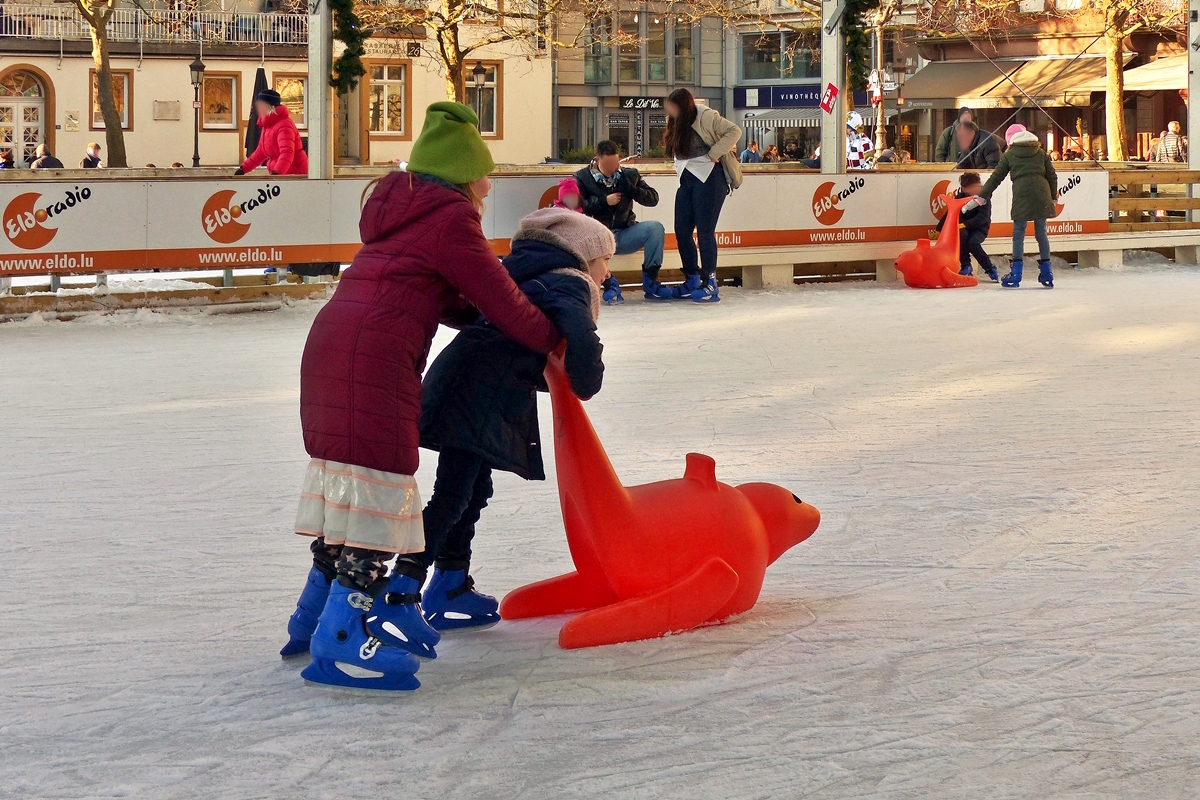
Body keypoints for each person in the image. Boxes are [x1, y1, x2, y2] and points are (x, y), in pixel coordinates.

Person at [280, 101, 560, 691]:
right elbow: (502, 299)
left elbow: (448, 297)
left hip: (333, 346)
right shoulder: (451, 218)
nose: (489, 186)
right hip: (376, 359)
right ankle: (341, 637)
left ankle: (310, 619)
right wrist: (553, 340)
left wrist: (486, 318)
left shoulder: (403, 211)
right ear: (465, 172)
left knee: (353, 489)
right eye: (486, 173)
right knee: (380, 497)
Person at [404, 207, 611, 630]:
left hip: (473, 385)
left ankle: (450, 581)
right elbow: (581, 336)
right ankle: (401, 590)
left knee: (472, 488)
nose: (608, 271)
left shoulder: (522, 276)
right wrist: (586, 382)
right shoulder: (566, 282)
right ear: (584, 254)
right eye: (607, 259)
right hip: (480, 393)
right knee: (453, 494)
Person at [663, 87, 742, 303]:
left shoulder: (705, 115)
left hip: (710, 179)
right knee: (681, 230)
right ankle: (692, 278)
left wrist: (714, 153)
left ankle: (710, 282)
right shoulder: (675, 122)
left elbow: (734, 130)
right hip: (687, 180)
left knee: (705, 232)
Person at [575, 140, 670, 302]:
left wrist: (633, 190)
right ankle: (609, 283)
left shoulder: (629, 175)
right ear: (597, 161)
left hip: (625, 233)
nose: (613, 169)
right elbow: (577, 206)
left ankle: (650, 281)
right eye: (608, 164)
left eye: (615, 163)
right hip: (598, 238)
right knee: (585, 238)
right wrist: (604, 201)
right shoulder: (582, 177)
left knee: (655, 228)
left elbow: (653, 199)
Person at [975, 123, 1057, 289]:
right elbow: (1052, 176)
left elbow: (996, 177)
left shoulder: (1010, 154)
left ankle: (1016, 273)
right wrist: (1053, 196)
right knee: (1041, 232)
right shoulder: (1040, 152)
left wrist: (982, 195)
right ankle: (1047, 272)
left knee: (1019, 232)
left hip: (1022, 195)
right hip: (1042, 194)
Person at [936, 171, 998, 281]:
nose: (977, 188)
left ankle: (989, 268)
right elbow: (950, 212)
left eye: (978, 186)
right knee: (960, 237)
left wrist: (966, 224)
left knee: (973, 243)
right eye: (973, 187)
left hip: (979, 228)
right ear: (964, 189)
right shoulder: (959, 198)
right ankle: (966, 265)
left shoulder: (984, 198)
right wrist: (939, 228)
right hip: (963, 227)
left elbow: (983, 217)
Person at [236, 89, 308, 176]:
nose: (258, 109)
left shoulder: (284, 124)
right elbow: (260, 152)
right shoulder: (268, 125)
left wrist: (277, 173)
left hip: (294, 173)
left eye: (260, 105)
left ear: (269, 106)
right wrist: (243, 169)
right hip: (281, 174)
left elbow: (287, 152)